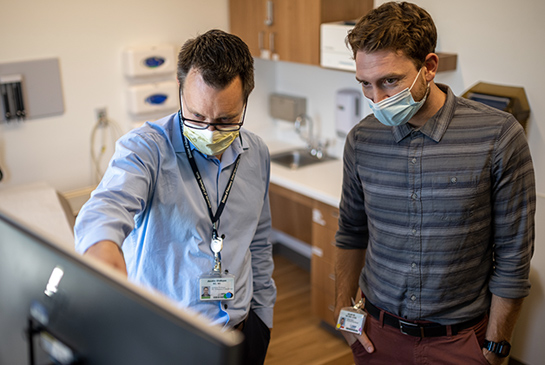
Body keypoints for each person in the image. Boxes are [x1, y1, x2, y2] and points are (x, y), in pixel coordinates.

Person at [334, 2, 535, 365]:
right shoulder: (361, 140)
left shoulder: (499, 136)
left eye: (390, 81)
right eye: (365, 84)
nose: (377, 99)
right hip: (377, 337)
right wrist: (344, 312)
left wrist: (495, 348)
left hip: (460, 341)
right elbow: (351, 231)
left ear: (428, 67)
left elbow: (513, 255)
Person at [74, 29, 276, 364]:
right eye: (196, 117)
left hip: (242, 331)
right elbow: (106, 206)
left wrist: (263, 318)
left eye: (226, 120)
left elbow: (258, 241)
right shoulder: (146, 148)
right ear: (180, 91)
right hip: (166, 341)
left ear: (246, 102)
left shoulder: (256, 153)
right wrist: (102, 249)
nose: (210, 132)